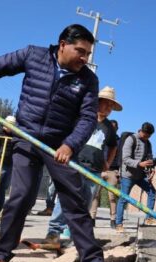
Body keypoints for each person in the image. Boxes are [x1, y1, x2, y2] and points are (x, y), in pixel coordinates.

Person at [0, 24, 114, 262]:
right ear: (62, 45)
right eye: (80, 51)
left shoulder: (88, 79)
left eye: (88, 54)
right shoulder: (33, 56)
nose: (84, 58)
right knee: (21, 196)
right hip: (26, 137)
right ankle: (0, 257)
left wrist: (70, 145)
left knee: (75, 201)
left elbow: (88, 117)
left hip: (60, 146)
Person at [45, 86, 122, 241]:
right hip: (75, 164)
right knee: (66, 198)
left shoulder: (109, 128)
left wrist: (108, 162)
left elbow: (114, 145)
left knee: (85, 203)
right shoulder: (83, 118)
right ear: (97, 102)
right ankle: (54, 232)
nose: (108, 108)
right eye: (106, 104)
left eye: (111, 106)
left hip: (94, 170)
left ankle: (71, 232)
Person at [115, 122, 156, 233]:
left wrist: (151, 168)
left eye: (149, 136)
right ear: (141, 131)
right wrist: (139, 164)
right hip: (128, 175)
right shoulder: (131, 139)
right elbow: (126, 159)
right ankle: (118, 224)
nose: (147, 138)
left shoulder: (148, 143)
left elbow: (149, 159)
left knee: (152, 192)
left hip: (141, 175)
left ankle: (148, 218)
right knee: (123, 199)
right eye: (146, 135)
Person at [89, 119, 120, 228]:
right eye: (110, 127)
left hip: (112, 171)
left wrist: (118, 172)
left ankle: (113, 219)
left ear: (116, 129)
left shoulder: (118, 141)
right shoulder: (100, 137)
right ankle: (92, 218)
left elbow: (120, 157)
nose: (112, 129)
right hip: (98, 169)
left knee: (112, 197)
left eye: (114, 127)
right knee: (95, 195)